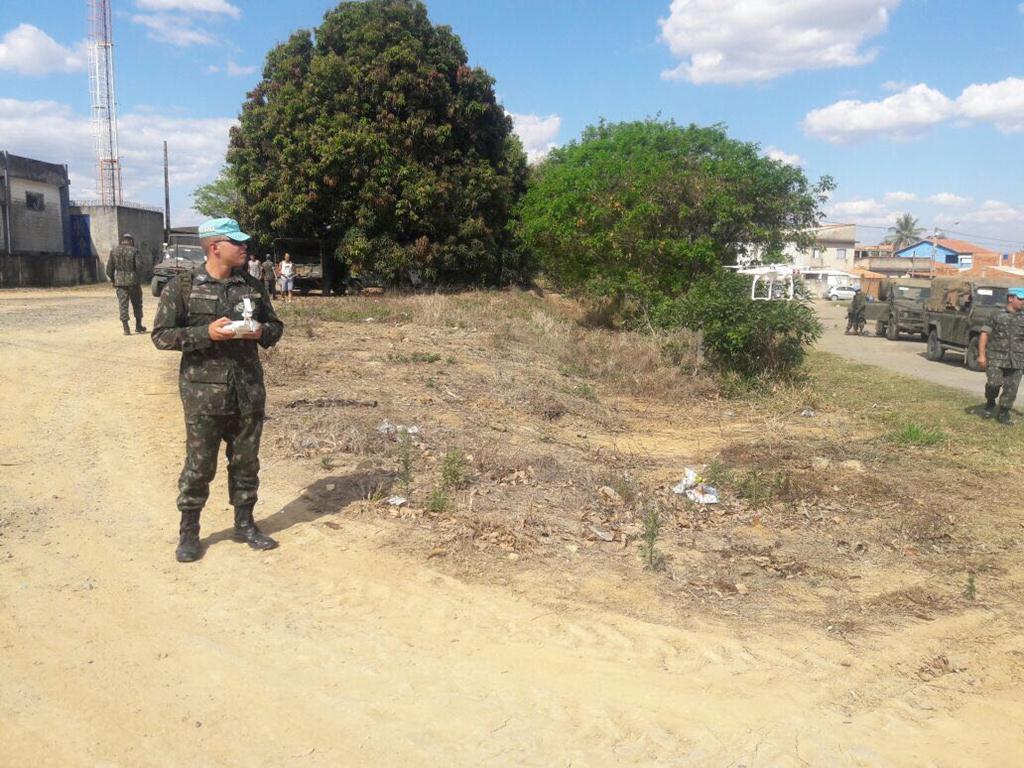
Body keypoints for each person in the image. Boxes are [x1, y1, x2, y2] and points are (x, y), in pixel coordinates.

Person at [151, 217, 285, 562]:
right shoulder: (182, 287)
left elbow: (275, 326)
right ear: (215, 247)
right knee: (199, 466)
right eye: (236, 242)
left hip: (248, 391)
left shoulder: (252, 286)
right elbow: (161, 335)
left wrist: (261, 332)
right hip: (203, 395)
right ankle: (189, 534)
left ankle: (245, 525)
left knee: (246, 463)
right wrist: (204, 334)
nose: (244, 247)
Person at [978, 287, 1024, 425]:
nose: (1023, 302)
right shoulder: (996, 314)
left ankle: (1003, 413)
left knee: (1011, 389)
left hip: (1017, 360)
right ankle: (990, 401)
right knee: (994, 384)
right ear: (1011, 298)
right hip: (996, 358)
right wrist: (981, 355)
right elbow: (985, 333)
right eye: (1021, 299)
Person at [106, 232, 147, 335]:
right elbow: (139, 267)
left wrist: (113, 280)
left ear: (122, 241)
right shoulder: (134, 251)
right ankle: (138, 325)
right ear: (131, 241)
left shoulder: (114, 251)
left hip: (120, 283)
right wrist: (137, 277)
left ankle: (126, 329)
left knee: (123, 305)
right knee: (137, 304)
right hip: (133, 282)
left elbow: (109, 269)